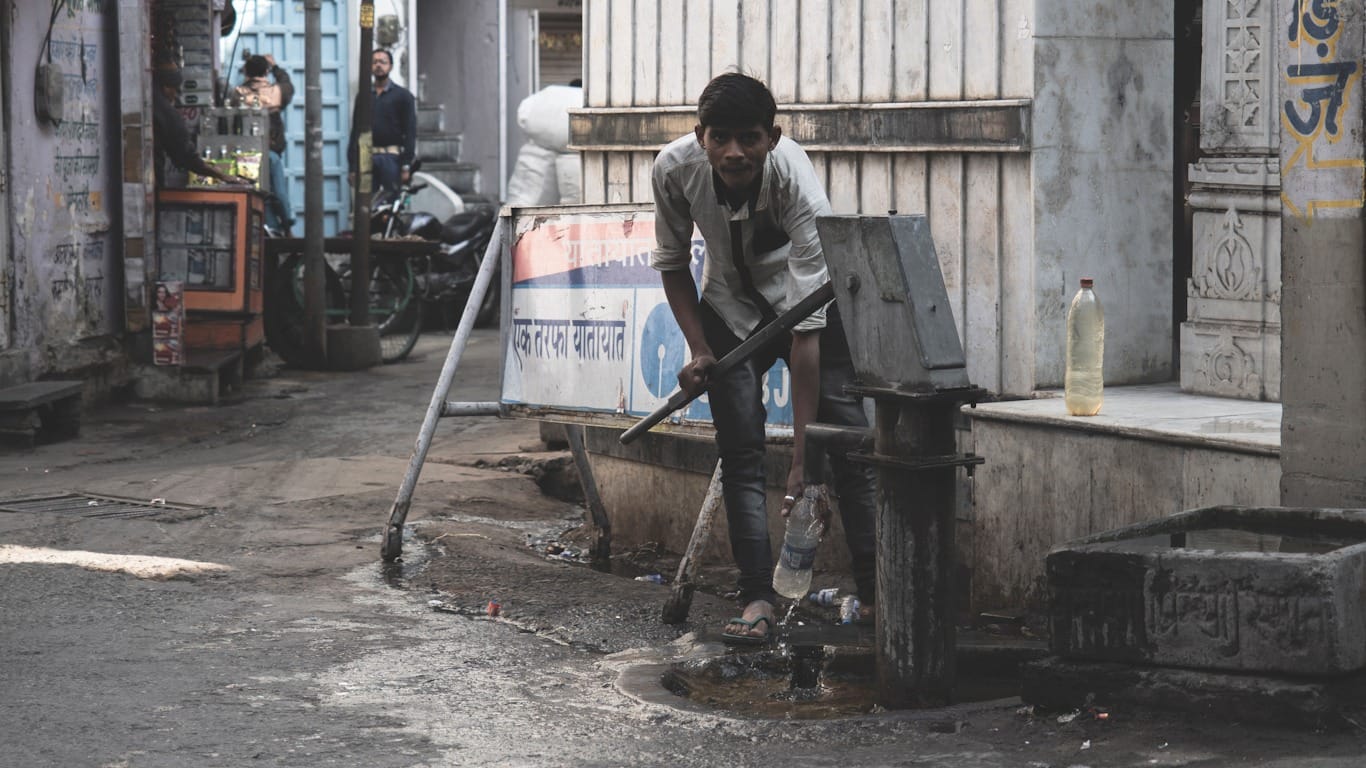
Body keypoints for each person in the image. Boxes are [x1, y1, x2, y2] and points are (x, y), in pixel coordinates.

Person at [651, 73, 878, 645]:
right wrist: (700, 347)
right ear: (699, 136)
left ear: (772, 137)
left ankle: (880, 594)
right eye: (720, 137)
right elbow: (673, 264)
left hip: (805, 306)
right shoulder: (673, 170)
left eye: (748, 138)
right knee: (741, 453)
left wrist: (803, 462)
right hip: (727, 308)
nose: (734, 152)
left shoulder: (797, 185)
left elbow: (805, 337)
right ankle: (757, 597)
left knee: (846, 446)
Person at [231, 54, 295, 234]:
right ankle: (286, 226)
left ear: (246, 72)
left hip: (244, 154)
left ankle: (268, 230)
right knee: (278, 192)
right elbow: (288, 85)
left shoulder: (237, 93)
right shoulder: (277, 92)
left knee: (257, 194)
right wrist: (276, 67)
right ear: (266, 71)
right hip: (270, 152)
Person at [347, 49, 417, 194]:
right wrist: (353, 167)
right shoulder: (363, 96)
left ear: (390, 66)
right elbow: (356, 131)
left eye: (383, 62)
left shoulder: (403, 96)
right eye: (374, 62)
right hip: (366, 157)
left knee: (390, 202)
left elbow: (410, 132)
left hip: (391, 158)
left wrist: (406, 165)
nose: (378, 65)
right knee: (365, 204)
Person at [152, 68, 237, 187]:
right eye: (175, 90)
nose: (176, 96)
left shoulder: (151, 102)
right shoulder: (165, 111)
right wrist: (220, 175)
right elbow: (186, 155)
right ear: (166, 87)